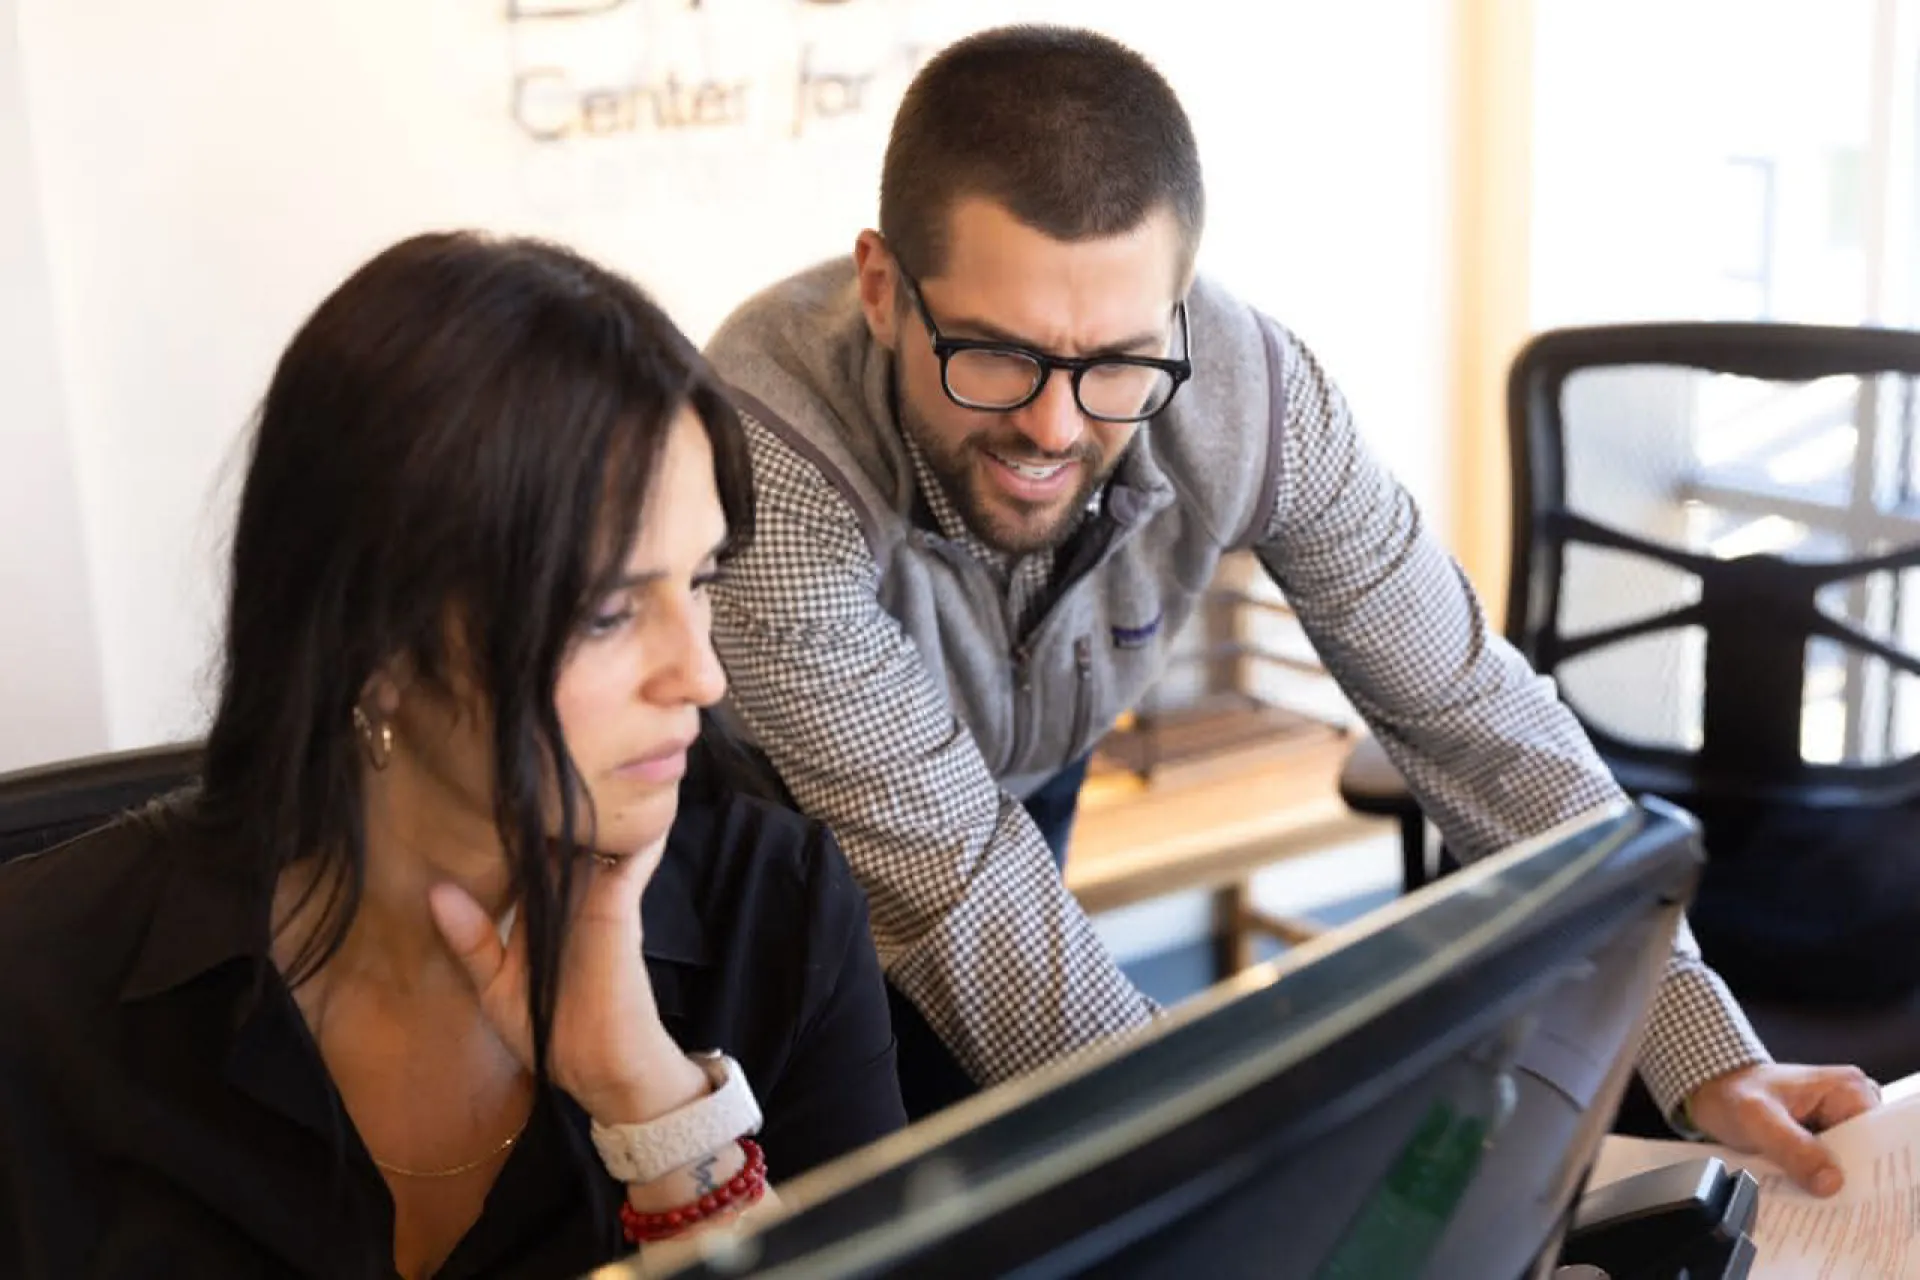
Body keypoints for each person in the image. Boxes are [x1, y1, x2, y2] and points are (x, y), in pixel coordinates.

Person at [703, 24, 1879, 1193]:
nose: (1054, 428)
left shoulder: (1252, 390)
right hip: (773, 849)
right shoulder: (772, 452)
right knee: (862, 1196)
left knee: (1034, 1174)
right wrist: (1226, 1164)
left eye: (1116, 361)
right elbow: (955, 878)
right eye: (997, 355)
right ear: (881, 289)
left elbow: (1467, 710)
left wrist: (1703, 1046)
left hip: (1021, 788)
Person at [0, 232, 905, 1279]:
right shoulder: (41, 980)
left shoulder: (778, 912)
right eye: (610, 612)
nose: (700, 675)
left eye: (698, 581)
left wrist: (653, 1104)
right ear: (375, 644)